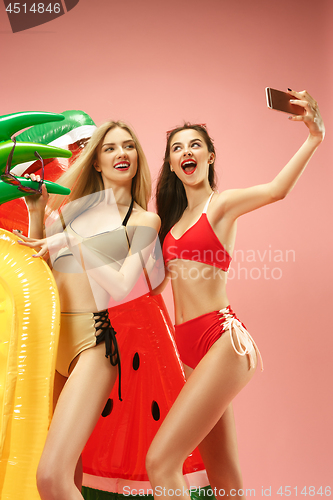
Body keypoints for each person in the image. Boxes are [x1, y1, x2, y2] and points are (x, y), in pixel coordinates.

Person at [145, 90, 325, 500]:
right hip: (186, 350)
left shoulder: (220, 206)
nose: (185, 152)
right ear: (172, 165)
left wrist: (314, 137)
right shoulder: (169, 224)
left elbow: (278, 190)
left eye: (195, 145)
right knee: (223, 479)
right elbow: (152, 286)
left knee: (161, 462)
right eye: (177, 148)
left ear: (209, 157)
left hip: (221, 340)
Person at [14, 121, 161, 500]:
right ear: (96, 162)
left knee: (51, 477)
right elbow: (42, 271)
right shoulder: (69, 214)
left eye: (129, 146)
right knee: (67, 477)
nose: (121, 154)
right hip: (52, 349)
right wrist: (38, 213)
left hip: (92, 346)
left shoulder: (143, 220)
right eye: (110, 148)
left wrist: (76, 241)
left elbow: (124, 284)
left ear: (137, 158)